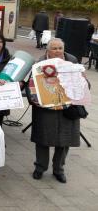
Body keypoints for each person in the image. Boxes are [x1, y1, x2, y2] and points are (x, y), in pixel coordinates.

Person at [31, 38, 83, 183]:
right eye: (54, 48)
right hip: (45, 108)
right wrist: (35, 99)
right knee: (42, 139)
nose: (58, 51)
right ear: (47, 50)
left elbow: (84, 84)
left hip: (68, 108)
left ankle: (58, 169)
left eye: (60, 48)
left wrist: (82, 82)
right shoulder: (39, 64)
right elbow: (31, 85)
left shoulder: (72, 61)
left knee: (64, 139)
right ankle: (40, 167)